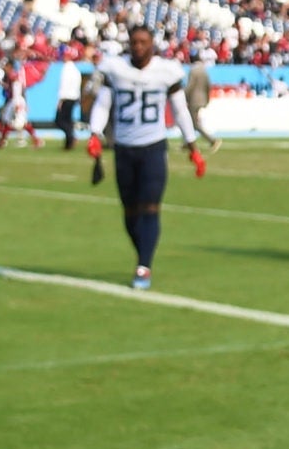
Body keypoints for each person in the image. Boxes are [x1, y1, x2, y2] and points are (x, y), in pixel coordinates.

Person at [85, 23, 196, 289]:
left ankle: (144, 265)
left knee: (150, 207)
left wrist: (191, 142)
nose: (138, 47)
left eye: (143, 42)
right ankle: (142, 254)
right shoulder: (116, 69)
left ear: (152, 44)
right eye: (134, 42)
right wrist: (94, 133)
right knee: (130, 212)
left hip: (153, 147)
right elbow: (103, 103)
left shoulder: (166, 71)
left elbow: (179, 109)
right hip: (123, 148)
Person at [184, 46, 220, 152]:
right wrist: (207, 99)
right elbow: (208, 86)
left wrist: (183, 97)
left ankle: (212, 140)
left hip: (194, 100)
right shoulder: (204, 70)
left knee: (193, 124)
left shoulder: (193, 70)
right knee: (190, 122)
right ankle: (187, 143)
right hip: (202, 99)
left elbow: (190, 86)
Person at [53, 44, 84, 150]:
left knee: (60, 121)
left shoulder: (66, 69)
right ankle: (68, 143)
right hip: (74, 97)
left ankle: (71, 137)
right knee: (68, 120)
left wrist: (61, 99)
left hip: (66, 97)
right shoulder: (75, 69)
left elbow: (64, 85)